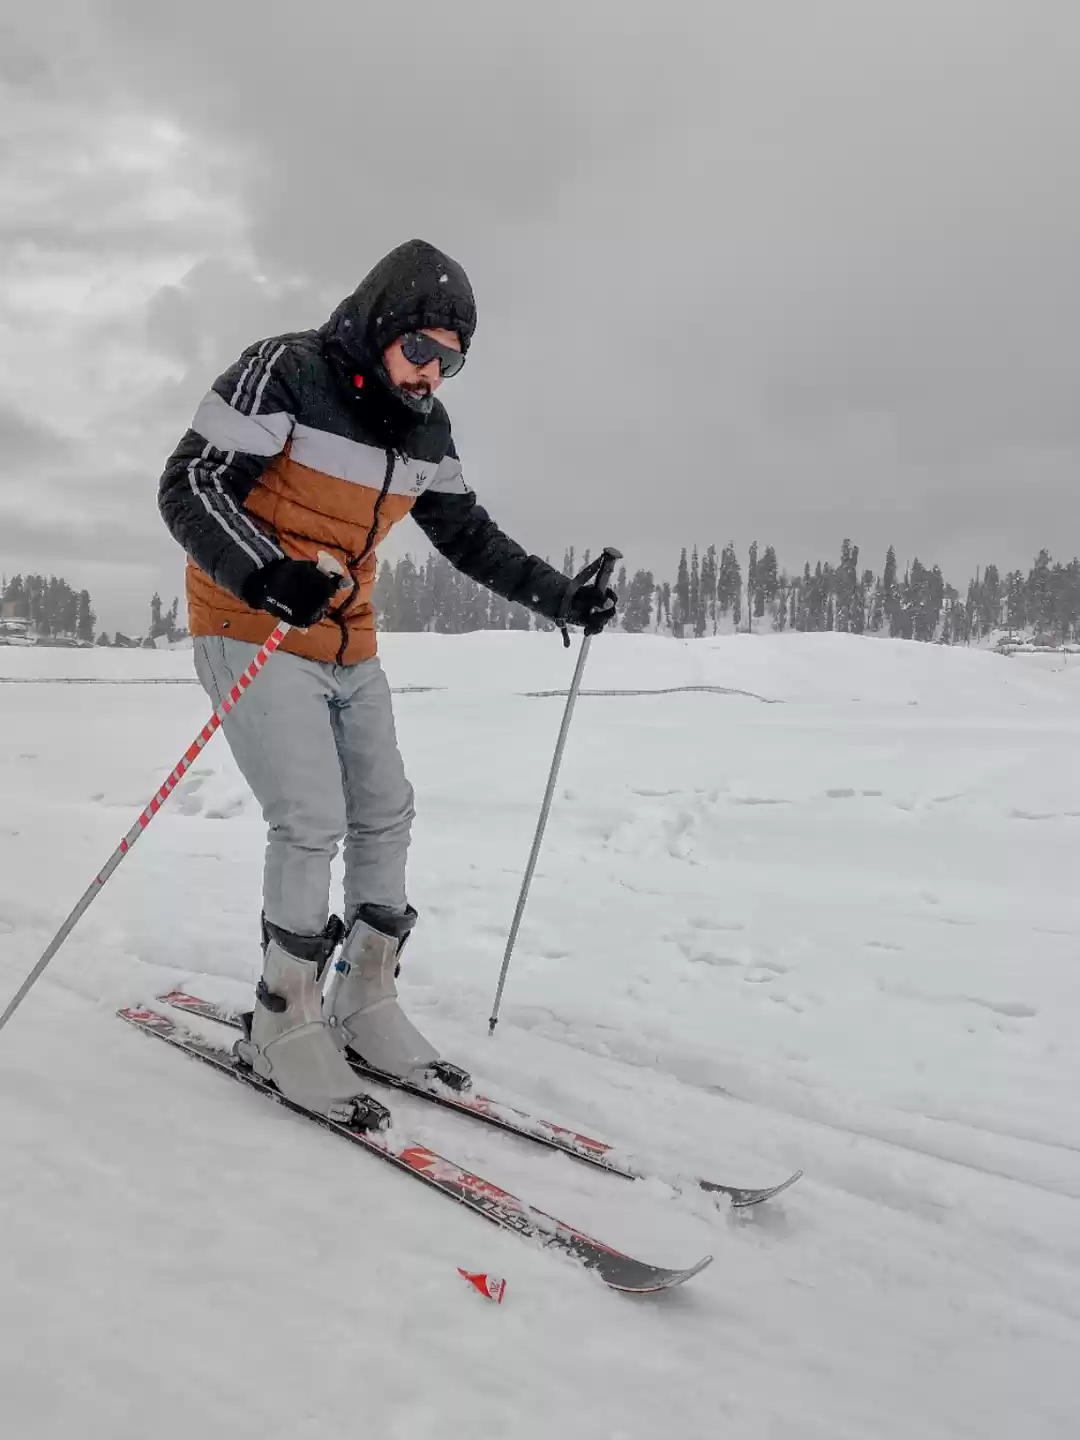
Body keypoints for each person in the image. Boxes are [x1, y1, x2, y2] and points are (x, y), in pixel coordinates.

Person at [158, 239, 617, 1119]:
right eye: (421, 351)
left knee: (385, 810)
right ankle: (283, 1020)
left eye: (452, 362)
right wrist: (263, 572)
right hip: (250, 619)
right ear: (380, 327)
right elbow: (192, 483)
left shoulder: (426, 430)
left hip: (345, 636)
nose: (432, 375)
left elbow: (467, 534)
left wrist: (561, 596)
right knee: (310, 819)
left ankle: (364, 1000)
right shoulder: (284, 371)